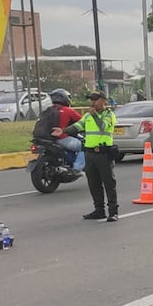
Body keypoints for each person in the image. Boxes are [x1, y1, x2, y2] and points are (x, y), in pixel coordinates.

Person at [54, 91, 119, 222]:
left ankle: (113, 212)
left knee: (108, 184)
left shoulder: (109, 115)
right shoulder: (88, 116)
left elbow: (103, 127)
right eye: (91, 100)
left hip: (103, 153)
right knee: (94, 184)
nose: (92, 103)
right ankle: (99, 210)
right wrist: (64, 130)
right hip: (90, 153)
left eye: (95, 100)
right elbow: (78, 126)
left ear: (103, 100)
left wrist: (94, 115)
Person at [33, 89, 85, 170]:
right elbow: (83, 122)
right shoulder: (69, 111)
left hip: (46, 138)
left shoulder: (47, 110)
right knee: (84, 147)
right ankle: (77, 168)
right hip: (61, 138)